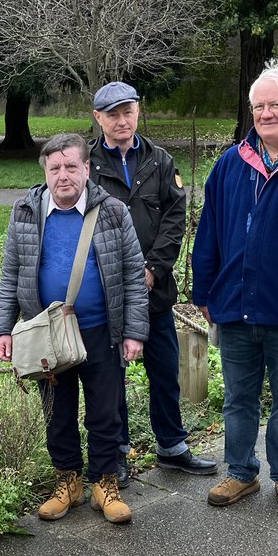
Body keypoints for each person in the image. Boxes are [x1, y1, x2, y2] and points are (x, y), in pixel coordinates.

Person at [191, 60, 278, 513]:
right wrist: (204, 293)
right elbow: (208, 231)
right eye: (258, 106)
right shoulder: (231, 164)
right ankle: (240, 472)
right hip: (233, 306)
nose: (265, 114)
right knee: (238, 398)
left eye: (275, 105)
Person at [0, 133, 148, 524]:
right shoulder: (25, 211)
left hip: (101, 331)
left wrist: (134, 332)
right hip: (46, 334)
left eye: (71, 166)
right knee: (56, 413)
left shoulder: (112, 212)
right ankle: (68, 482)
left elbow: (133, 275)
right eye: (55, 167)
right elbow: (11, 274)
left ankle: (104, 482)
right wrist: (3, 329)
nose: (64, 175)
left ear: (87, 168)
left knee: (105, 412)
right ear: (45, 170)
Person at [88, 81, 216, 484]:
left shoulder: (160, 161)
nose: (121, 120)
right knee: (111, 378)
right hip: (108, 293)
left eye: (128, 111)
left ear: (138, 112)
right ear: (98, 118)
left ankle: (171, 446)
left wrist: (153, 269)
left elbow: (174, 220)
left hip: (154, 291)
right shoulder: (87, 165)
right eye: (112, 114)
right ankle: (118, 452)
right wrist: (121, 276)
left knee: (164, 370)